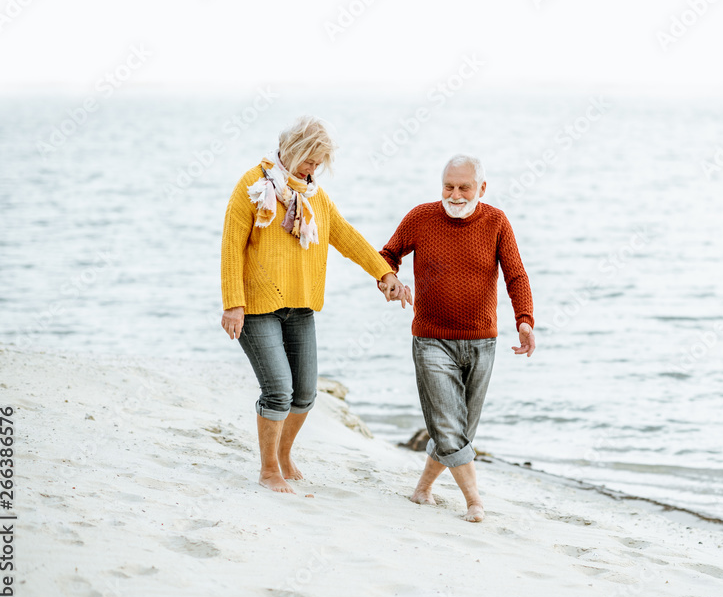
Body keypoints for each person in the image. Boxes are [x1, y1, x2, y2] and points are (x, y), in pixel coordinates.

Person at [220, 115, 409, 494]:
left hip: (300, 305)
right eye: (309, 160)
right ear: (292, 151)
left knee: (305, 393)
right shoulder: (253, 186)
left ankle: (285, 454)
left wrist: (385, 273)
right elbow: (231, 246)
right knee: (278, 389)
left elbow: (347, 237)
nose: (313, 168)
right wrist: (233, 304)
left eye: (319, 162)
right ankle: (269, 469)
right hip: (256, 307)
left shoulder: (315, 198)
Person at [379, 154, 536, 522]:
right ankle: (474, 501)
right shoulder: (421, 217)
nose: (456, 194)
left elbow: (516, 275)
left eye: (464, 187)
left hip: (483, 342)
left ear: (482, 188)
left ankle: (422, 490)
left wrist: (524, 321)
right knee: (449, 425)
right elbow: (387, 255)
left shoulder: (496, 221)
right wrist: (389, 279)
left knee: (459, 428)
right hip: (431, 339)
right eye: (449, 186)